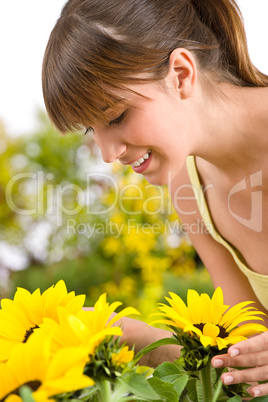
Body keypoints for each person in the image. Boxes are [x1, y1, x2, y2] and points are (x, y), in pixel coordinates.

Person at [42, 0, 268, 397]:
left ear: (181, 74)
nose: (107, 153)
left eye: (116, 117)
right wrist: (148, 344)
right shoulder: (188, 186)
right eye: (90, 131)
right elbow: (251, 360)